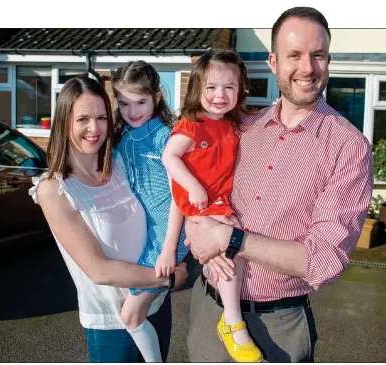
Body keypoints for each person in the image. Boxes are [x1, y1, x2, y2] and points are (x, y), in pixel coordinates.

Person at [184, 6, 374, 363]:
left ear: (328, 60)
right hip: (209, 308)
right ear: (273, 62)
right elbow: (200, 188)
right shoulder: (242, 128)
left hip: (278, 327)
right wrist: (195, 232)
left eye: (317, 55)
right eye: (294, 55)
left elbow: (324, 259)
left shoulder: (348, 148)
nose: (307, 67)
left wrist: (229, 239)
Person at [29, 76, 187, 363]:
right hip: (112, 326)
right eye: (83, 119)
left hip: (157, 307)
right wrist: (169, 276)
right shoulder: (55, 189)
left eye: (101, 117)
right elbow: (100, 271)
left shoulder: (120, 163)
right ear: (65, 122)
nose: (94, 128)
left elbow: (164, 203)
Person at [162, 49, 262, 363]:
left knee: (232, 248)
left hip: (220, 203)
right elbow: (169, 157)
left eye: (229, 88)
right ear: (197, 90)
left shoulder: (232, 126)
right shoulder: (192, 124)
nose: (220, 95)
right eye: (211, 88)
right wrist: (192, 186)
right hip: (201, 203)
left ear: (240, 91)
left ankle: (210, 268)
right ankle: (233, 321)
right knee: (231, 238)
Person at [112, 61, 189, 362]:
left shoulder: (167, 139)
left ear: (157, 98)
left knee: (130, 315)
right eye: (123, 104)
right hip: (144, 236)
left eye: (140, 102)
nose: (132, 112)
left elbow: (179, 198)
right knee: (139, 310)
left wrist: (169, 249)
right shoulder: (123, 141)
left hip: (166, 237)